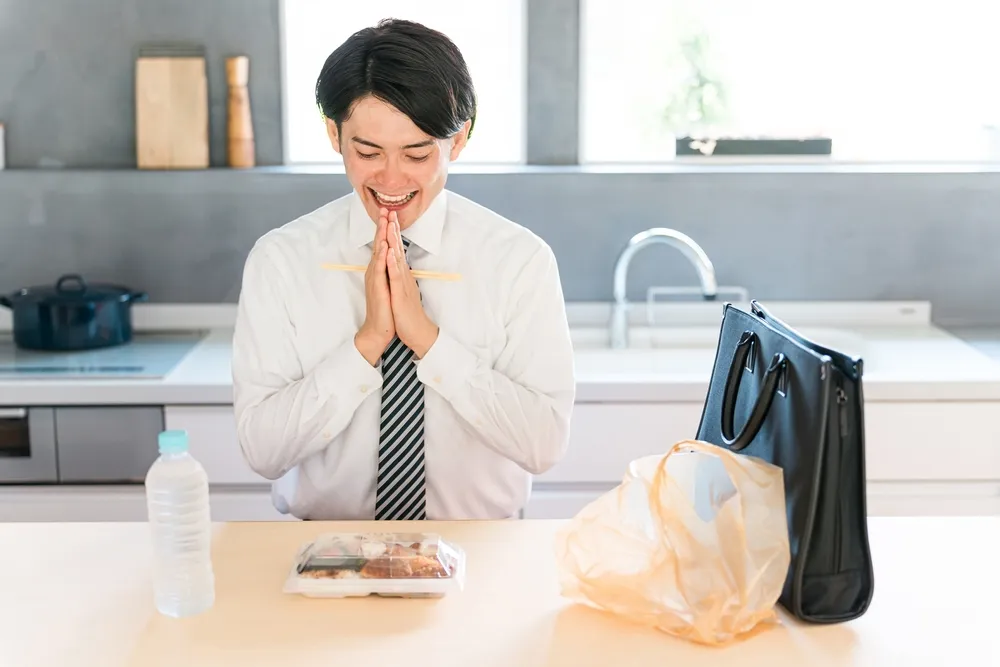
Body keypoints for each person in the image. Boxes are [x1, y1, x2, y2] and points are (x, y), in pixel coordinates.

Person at [231, 18, 576, 521]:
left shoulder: (518, 260)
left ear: (458, 141)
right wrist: (368, 342)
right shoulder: (281, 259)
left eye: (417, 154)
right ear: (334, 134)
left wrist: (429, 342)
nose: (391, 178)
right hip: (323, 556)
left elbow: (544, 445)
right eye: (367, 152)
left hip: (479, 553)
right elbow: (262, 452)